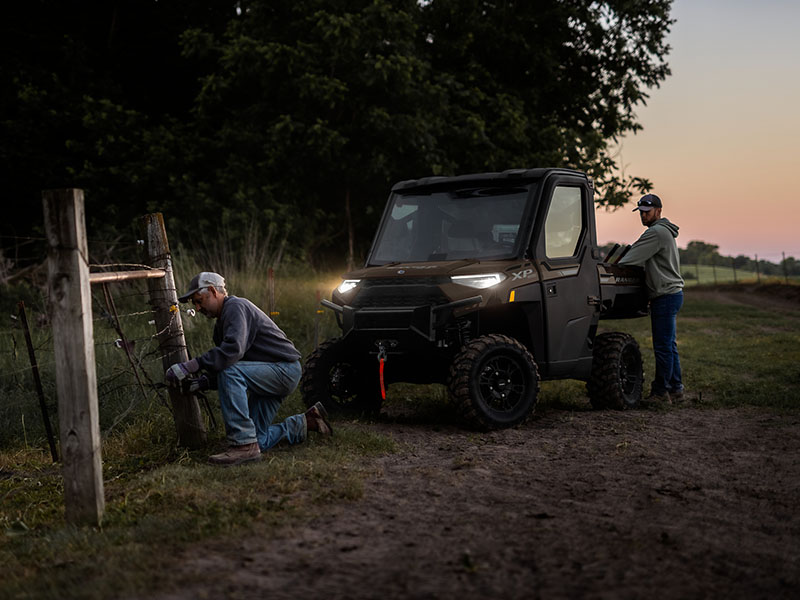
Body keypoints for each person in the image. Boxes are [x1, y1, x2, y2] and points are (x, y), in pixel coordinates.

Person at [165, 272, 332, 466]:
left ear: (212, 291)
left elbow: (232, 352)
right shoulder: (221, 326)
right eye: (195, 303)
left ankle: (242, 446)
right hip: (268, 374)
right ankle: (307, 422)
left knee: (231, 375)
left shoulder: (235, 307)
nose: (197, 308)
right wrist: (203, 382)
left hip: (283, 370)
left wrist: (190, 366)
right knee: (258, 439)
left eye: (199, 301)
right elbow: (230, 364)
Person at [618, 194, 685, 404]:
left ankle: (660, 393)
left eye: (647, 212)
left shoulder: (655, 232)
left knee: (663, 346)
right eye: (641, 212)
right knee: (669, 345)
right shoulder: (665, 231)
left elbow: (629, 260)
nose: (643, 216)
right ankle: (676, 389)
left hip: (665, 295)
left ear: (658, 211)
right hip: (672, 293)